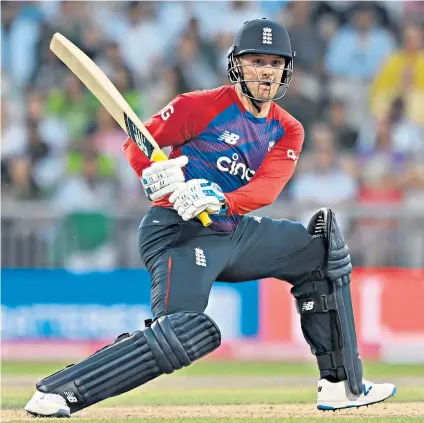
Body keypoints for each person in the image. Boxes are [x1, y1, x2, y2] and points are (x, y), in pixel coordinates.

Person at [24, 18, 396, 418]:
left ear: (286, 69)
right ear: (237, 65)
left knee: (320, 251)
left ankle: (342, 385)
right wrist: (156, 176)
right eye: (256, 61)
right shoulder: (198, 106)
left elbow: (266, 190)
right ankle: (62, 391)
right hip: (175, 233)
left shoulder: (288, 129)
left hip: (232, 231)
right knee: (185, 332)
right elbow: (138, 143)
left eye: (275, 62)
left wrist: (217, 198)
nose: (266, 71)